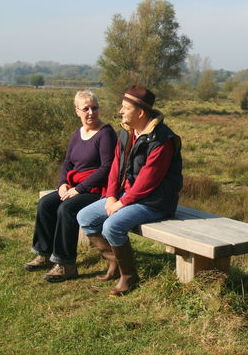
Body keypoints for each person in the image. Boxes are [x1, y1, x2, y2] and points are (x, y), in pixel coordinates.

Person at [77, 84, 183, 297]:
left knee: (112, 226)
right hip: (128, 196)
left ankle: (129, 275)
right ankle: (114, 262)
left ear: (141, 112)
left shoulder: (162, 140)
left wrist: (120, 203)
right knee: (85, 217)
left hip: (155, 201)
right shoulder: (127, 132)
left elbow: (148, 181)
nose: (120, 111)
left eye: (125, 107)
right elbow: (116, 167)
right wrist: (111, 195)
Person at [23, 90, 117, 282]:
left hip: (96, 190)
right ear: (77, 111)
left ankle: (66, 264)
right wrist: (63, 184)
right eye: (86, 108)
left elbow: (107, 168)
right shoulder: (77, 134)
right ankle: (45, 254)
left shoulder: (106, 133)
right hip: (74, 186)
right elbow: (67, 163)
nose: (91, 112)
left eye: (95, 107)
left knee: (66, 209)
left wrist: (79, 189)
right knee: (46, 204)